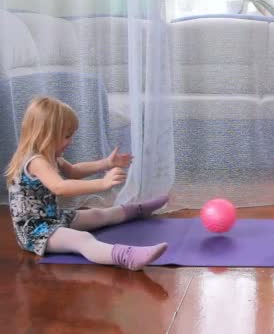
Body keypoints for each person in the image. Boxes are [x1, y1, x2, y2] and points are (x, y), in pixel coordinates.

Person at [5, 96, 169, 271]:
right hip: (35, 232)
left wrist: (106, 163)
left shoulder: (51, 157)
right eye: (67, 136)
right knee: (82, 239)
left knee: (98, 214)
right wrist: (102, 183)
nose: (71, 141)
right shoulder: (36, 162)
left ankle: (138, 210)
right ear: (47, 135)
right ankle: (127, 257)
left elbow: (74, 171)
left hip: (53, 218)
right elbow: (59, 187)